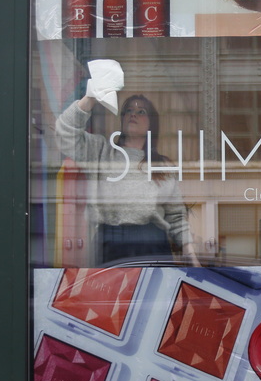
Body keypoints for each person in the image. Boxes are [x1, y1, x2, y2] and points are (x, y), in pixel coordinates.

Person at [56, 91, 201, 267]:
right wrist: (90, 98)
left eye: (141, 111)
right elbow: (64, 134)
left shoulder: (161, 166)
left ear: (151, 124)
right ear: (122, 118)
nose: (133, 114)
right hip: (110, 242)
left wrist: (192, 257)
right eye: (128, 110)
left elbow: (176, 216)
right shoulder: (101, 151)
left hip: (152, 242)